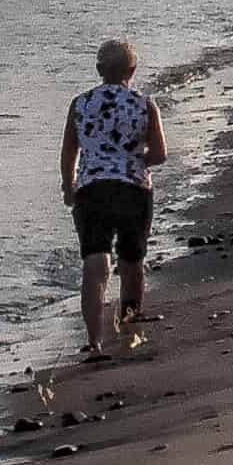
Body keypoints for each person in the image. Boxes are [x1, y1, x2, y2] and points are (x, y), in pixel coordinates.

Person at [57, 38, 166, 361]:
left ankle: (94, 341)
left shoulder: (80, 103)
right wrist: (133, 160)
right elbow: (160, 154)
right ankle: (129, 323)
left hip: (91, 190)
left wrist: (68, 185)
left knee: (94, 262)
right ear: (132, 70)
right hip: (132, 188)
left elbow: (69, 151)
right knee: (132, 259)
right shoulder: (144, 104)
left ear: (99, 70)